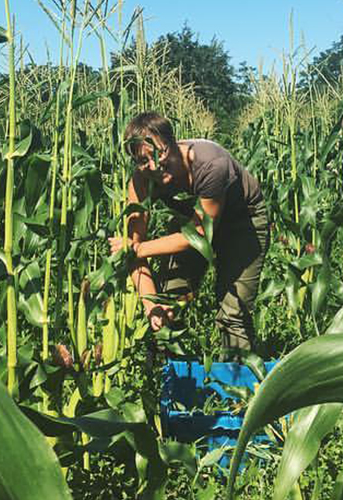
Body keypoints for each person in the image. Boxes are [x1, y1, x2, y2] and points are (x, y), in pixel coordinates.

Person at [108, 111, 268, 353]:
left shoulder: (211, 165)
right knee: (168, 303)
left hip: (242, 223)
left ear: (173, 142)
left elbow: (199, 234)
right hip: (189, 223)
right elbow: (132, 251)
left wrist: (137, 248)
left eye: (159, 153)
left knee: (233, 313)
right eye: (142, 160)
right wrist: (151, 305)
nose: (154, 166)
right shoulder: (140, 181)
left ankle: (238, 374)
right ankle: (173, 370)